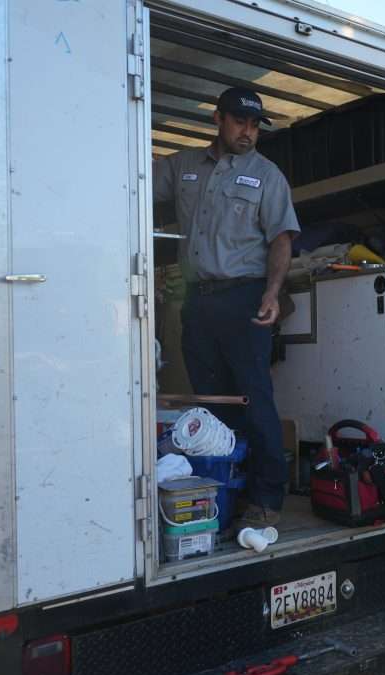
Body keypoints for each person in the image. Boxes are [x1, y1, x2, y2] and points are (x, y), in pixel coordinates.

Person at [153, 88, 299, 527]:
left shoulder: (267, 175)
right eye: (240, 122)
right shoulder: (181, 167)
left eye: (255, 125)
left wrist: (272, 293)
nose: (248, 133)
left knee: (254, 400)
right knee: (210, 404)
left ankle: (267, 498)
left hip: (245, 299)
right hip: (197, 301)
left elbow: (282, 238)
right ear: (218, 118)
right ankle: (223, 488)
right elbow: (131, 182)